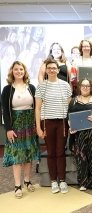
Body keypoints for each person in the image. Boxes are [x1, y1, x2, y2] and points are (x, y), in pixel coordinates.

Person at [1, 61, 40, 198]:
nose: (19, 71)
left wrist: (37, 125)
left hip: (30, 124)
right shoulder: (7, 89)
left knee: (29, 154)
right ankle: (18, 185)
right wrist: (8, 129)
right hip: (15, 126)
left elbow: (37, 108)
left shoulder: (32, 87)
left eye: (21, 69)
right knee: (17, 156)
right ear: (12, 71)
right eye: (16, 69)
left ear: (25, 71)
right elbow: (5, 110)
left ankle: (27, 181)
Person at [35, 59, 72, 194]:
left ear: (58, 70)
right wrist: (38, 127)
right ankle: (53, 181)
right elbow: (38, 109)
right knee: (51, 153)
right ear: (46, 70)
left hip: (62, 123)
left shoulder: (65, 85)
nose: (51, 70)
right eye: (49, 68)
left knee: (60, 152)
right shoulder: (41, 86)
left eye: (54, 68)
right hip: (47, 123)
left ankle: (62, 180)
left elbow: (69, 107)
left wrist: (70, 123)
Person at [68, 79, 92, 192]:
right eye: (83, 85)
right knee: (81, 158)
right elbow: (68, 117)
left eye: (87, 86)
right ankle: (83, 182)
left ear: (91, 87)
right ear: (79, 87)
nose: (85, 87)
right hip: (78, 134)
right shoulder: (73, 101)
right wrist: (71, 127)